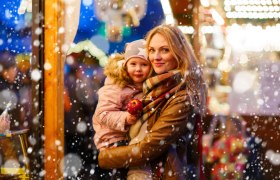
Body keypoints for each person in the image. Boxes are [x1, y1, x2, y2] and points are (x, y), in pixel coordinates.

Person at [98, 24, 207, 179]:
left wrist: (105, 157)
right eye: (152, 50)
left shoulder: (182, 96)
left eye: (165, 50)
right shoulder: (154, 86)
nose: (156, 57)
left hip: (160, 173)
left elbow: (148, 148)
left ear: (179, 53)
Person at [92, 39, 152, 178]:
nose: (138, 69)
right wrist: (126, 118)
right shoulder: (116, 86)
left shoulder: (142, 87)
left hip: (127, 139)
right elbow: (103, 113)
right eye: (133, 64)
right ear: (125, 66)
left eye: (144, 64)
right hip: (112, 140)